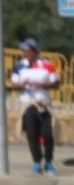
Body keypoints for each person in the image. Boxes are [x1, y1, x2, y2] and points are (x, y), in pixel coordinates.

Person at [8, 39, 59, 175]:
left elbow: (56, 83)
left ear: (35, 51)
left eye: (28, 51)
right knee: (32, 134)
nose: (26, 53)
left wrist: (41, 85)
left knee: (47, 134)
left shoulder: (46, 65)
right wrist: (24, 84)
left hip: (43, 103)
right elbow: (14, 84)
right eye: (24, 51)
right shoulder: (20, 66)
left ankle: (49, 161)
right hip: (28, 104)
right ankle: (37, 161)